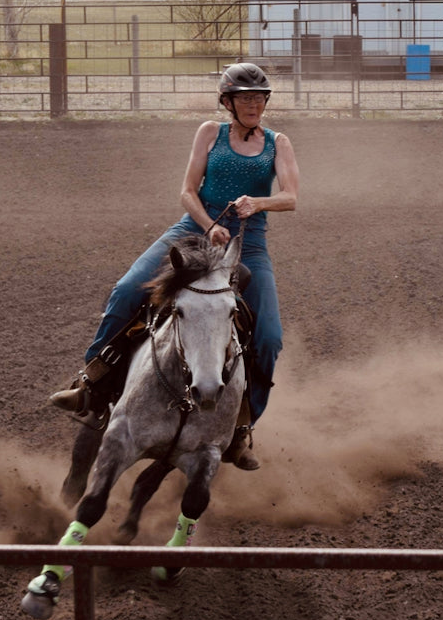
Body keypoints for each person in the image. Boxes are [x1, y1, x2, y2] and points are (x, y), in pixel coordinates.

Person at [50, 62, 299, 471]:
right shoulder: (209, 133)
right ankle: (90, 382)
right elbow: (186, 191)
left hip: (248, 245)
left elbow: (291, 196)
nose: (254, 105)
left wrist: (259, 203)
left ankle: (241, 428)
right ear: (228, 102)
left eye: (259, 98)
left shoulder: (278, 143)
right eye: (245, 98)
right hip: (191, 230)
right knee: (128, 289)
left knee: (269, 337)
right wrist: (207, 226)